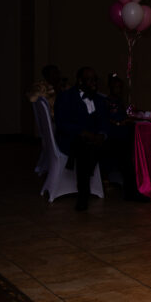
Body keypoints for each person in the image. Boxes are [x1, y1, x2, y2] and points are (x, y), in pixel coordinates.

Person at [54, 66, 111, 212]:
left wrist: (102, 134)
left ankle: (132, 190)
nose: (94, 83)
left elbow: (104, 121)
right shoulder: (65, 97)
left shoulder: (99, 99)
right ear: (80, 81)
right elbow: (61, 123)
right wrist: (83, 133)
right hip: (73, 139)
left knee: (122, 140)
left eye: (95, 80)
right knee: (85, 147)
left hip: (95, 139)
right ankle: (83, 195)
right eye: (90, 80)